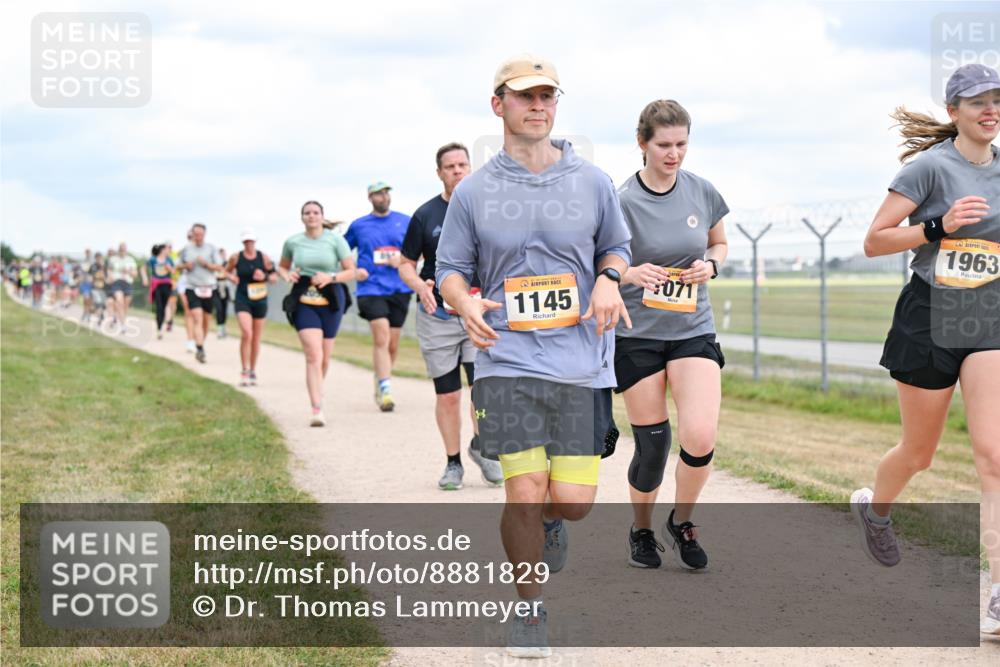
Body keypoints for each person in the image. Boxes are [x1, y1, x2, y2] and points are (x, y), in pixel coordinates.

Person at [437, 54, 632, 658]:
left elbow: (617, 248)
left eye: (548, 95)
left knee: (572, 503)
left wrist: (608, 279)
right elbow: (450, 270)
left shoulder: (592, 181)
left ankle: (551, 522)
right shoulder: (474, 191)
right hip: (507, 359)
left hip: (581, 362)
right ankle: (528, 608)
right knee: (522, 492)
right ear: (498, 105)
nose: (539, 105)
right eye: (525, 96)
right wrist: (464, 302)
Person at [853, 64, 1000, 636]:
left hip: (987, 318)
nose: (991, 110)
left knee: (993, 455)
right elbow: (875, 241)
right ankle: (876, 510)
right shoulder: (930, 168)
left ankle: (997, 592)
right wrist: (938, 226)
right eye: (978, 102)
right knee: (919, 453)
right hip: (930, 317)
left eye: (997, 100)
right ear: (954, 111)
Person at [612, 99, 730, 570]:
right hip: (637, 333)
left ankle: (681, 521)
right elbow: (601, 265)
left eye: (682, 144)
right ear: (642, 143)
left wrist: (711, 265)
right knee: (654, 445)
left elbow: (719, 242)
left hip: (691, 328)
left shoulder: (702, 191)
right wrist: (631, 273)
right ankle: (641, 528)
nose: (674, 153)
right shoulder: (621, 201)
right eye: (664, 144)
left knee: (699, 434)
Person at [399, 141, 504, 490]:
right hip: (439, 318)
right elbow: (405, 264)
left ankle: (482, 447)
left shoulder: (487, 209)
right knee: (448, 395)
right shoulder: (425, 215)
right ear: (439, 173)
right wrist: (421, 286)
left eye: (462, 165)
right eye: (450, 167)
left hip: (477, 313)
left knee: (482, 390)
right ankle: (453, 463)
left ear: (470, 168)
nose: (457, 171)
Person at [279, 201, 366, 426]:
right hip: (303, 299)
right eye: (307, 213)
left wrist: (331, 277)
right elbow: (282, 267)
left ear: (322, 216)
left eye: (315, 212)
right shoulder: (293, 241)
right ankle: (316, 408)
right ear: (302, 217)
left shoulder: (335, 240)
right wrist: (287, 275)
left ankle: (318, 387)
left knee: (324, 358)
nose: (311, 216)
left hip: (331, 298)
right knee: (313, 354)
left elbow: (351, 271)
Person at [345, 181, 413, 412]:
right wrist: (354, 270)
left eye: (385, 193)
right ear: (370, 198)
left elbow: (421, 251)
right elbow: (342, 250)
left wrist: (401, 260)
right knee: (381, 336)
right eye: (377, 194)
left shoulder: (405, 221)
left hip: (400, 288)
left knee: (392, 343)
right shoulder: (359, 225)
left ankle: (382, 378)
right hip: (370, 288)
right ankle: (386, 389)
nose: (382, 197)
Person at [226, 229, 278, 386]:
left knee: (256, 337)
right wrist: (232, 277)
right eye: (246, 241)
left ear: (255, 241)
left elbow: (274, 277)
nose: (248, 244)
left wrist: (265, 276)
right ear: (243, 242)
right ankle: (244, 370)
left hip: (260, 300)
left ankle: (253, 370)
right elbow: (226, 272)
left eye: (251, 241)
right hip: (243, 298)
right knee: (247, 333)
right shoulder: (236, 257)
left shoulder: (264, 257)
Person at [180, 223, 223, 363]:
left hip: (209, 287)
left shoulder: (211, 249)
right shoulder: (186, 249)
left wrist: (206, 264)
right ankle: (200, 349)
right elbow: (177, 266)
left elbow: (220, 266)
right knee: (197, 317)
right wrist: (186, 266)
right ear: (192, 234)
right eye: (196, 234)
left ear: (204, 234)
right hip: (192, 287)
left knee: (206, 320)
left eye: (200, 234)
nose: (198, 236)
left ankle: (200, 344)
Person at [141, 243, 175, 339]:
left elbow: (173, 271)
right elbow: (143, 268)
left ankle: (161, 325)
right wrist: (145, 278)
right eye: (167, 249)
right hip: (156, 285)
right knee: (159, 306)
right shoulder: (153, 259)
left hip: (166, 285)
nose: (169, 251)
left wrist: (169, 268)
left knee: (164, 306)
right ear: (162, 250)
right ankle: (159, 328)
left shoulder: (169, 260)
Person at [106, 244, 137, 332]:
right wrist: (110, 276)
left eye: (123, 250)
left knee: (125, 305)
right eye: (120, 249)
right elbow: (109, 270)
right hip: (117, 282)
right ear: (118, 250)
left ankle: (118, 317)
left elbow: (135, 274)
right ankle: (123, 325)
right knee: (119, 301)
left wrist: (129, 271)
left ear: (126, 250)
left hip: (127, 282)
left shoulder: (131, 260)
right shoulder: (113, 259)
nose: (122, 251)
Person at [215, 247, 232, 339]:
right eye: (221, 254)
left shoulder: (228, 264)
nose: (223, 256)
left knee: (225, 310)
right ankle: (219, 329)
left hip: (225, 288)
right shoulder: (215, 265)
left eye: (224, 254)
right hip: (217, 289)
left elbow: (230, 275)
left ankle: (223, 328)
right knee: (219, 309)